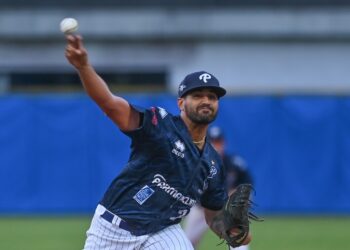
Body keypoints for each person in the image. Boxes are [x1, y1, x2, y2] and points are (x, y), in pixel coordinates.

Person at [64, 34, 252, 250]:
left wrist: (234, 230)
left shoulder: (213, 163)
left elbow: (213, 215)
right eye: (198, 95)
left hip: (162, 232)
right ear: (181, 102)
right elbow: (109, 103)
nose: (206, 101)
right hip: (115, 229)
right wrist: (84, 67)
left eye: (212, 97)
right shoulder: (159, 125)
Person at [183, 126, 253, 250]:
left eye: (218, 142)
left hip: (226, 210)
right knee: (186, 243)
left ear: (224, 143)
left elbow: (247, 184)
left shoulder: (234, 163)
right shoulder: (197, 163)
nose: (217, 145)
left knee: (239, 241)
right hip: (201, 209)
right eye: (213, 141)